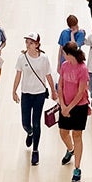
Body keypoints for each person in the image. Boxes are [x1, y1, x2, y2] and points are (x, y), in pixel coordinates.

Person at [12, 32, 56, 165]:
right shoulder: (22, 58)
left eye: (31, 42)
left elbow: (48, 76)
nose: (28, 45)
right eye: (27, 42)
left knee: (36, 122)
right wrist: (14, 91)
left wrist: (53, 91)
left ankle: (35, 150)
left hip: (39, 94)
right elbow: (18, 75)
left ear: (37, 45)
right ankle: (29, 132)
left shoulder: (44, 59)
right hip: (26, 93)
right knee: (25, 123)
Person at [56, 41, 90, 182]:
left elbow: (81, 92)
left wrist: (69, 108)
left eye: (65, 53)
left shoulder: (82, 69)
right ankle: (70, 150)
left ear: (69, 54)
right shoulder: (64, 66)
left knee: (77, 135)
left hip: (79, 107)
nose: (63, 55)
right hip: (65, 105)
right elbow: (60, 85)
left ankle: (77, 168)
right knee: (63, 133)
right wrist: (63, 105)